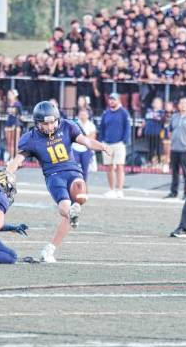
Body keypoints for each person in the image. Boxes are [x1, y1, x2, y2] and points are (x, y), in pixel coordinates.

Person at [6, 101, 112, 263]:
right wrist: (9, 172)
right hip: (54, 176)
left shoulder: (67, 126)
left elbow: (87, 142)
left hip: (72, 171)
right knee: (65, 209)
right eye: (45, 123)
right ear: (37, 123)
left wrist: (103, 146)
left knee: (80, 190)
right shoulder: (31, 138)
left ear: (57, 119)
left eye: (52, 122)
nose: (50, 126)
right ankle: (51, 247)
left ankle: (72, 214)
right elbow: (18, 159)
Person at [99, 93, 131, 198]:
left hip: (119, 143)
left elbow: (127, 128)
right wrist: (102, 140)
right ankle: (112, 189)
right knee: (109, 167)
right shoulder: (106, 113)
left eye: (114, 99)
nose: (111, 101)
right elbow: (102, 128)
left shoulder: (124, 113)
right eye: (110, 99)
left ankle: (120, 190)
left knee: (120, 166)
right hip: (107, 143)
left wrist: (124, 140)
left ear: (118, 101)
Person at [72, 108, 97, 181]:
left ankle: (84, 188)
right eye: (81, 114)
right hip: (75, 149)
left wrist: (80, 138)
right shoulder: (75, 123)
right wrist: (84, 138)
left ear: (88, 115)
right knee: (74, 169)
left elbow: (92, 138)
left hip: (86, 149)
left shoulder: (91, 125)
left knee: (85, 170)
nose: (82, 116)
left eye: (84, 114)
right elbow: (73, 136)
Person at [140, 97, 165, 167]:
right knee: (149, 148)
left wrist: (156, 115)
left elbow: (163, 121)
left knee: (158, 148)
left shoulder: (162, 112)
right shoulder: (148, 111)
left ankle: (159, 162)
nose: (156, 104)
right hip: (149, 132)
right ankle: (149, 162)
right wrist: (140, 129)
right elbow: (145, 121)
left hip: (158, 133)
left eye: (158, 102)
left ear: (161, 104)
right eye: (155, 102)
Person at [4, 89, 23, 162]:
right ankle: (11, 157)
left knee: (15, 142)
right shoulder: (7, 104)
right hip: (8, 123)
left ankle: (16, 158)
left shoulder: (18, 104)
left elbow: (21, 115)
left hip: (15, 124)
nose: (9, 96)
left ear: (14, 95)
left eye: (10, 94)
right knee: (8, 142)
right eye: (8, 94)